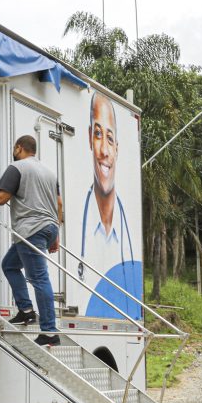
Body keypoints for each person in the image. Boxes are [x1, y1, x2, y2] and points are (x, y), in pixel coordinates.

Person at [0, 135, 63, 346]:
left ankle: (50, 331)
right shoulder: (50, 173)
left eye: (15, 148)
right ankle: (26, 311)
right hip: (48, 227)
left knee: (39, 278)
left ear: (19, 148)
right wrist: (55, 233)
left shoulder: (17, 167)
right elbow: (59, 204)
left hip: (30, 229)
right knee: (9, 264)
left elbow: (1, 198)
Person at [79, 92, 138, 318]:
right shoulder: (76, 224)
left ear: (118, 148)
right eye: (97, 134)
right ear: (88, 139)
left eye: (110, 139)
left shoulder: (127, 234)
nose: (104, 150)